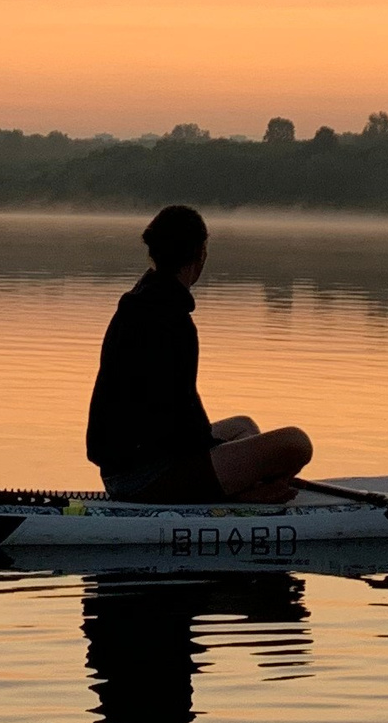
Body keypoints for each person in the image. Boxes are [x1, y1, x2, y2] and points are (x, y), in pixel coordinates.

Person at [85, 204, 315, 506]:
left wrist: (217, 448)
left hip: (125, 468)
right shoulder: (170, 320)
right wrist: (214, 451)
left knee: (243, 426)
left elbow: (172, 415)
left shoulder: (138, 303)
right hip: (146, 477)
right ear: (200, 254)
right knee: (296, 443)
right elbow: (181, 423)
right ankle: (245, 495)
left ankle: (248, 488)